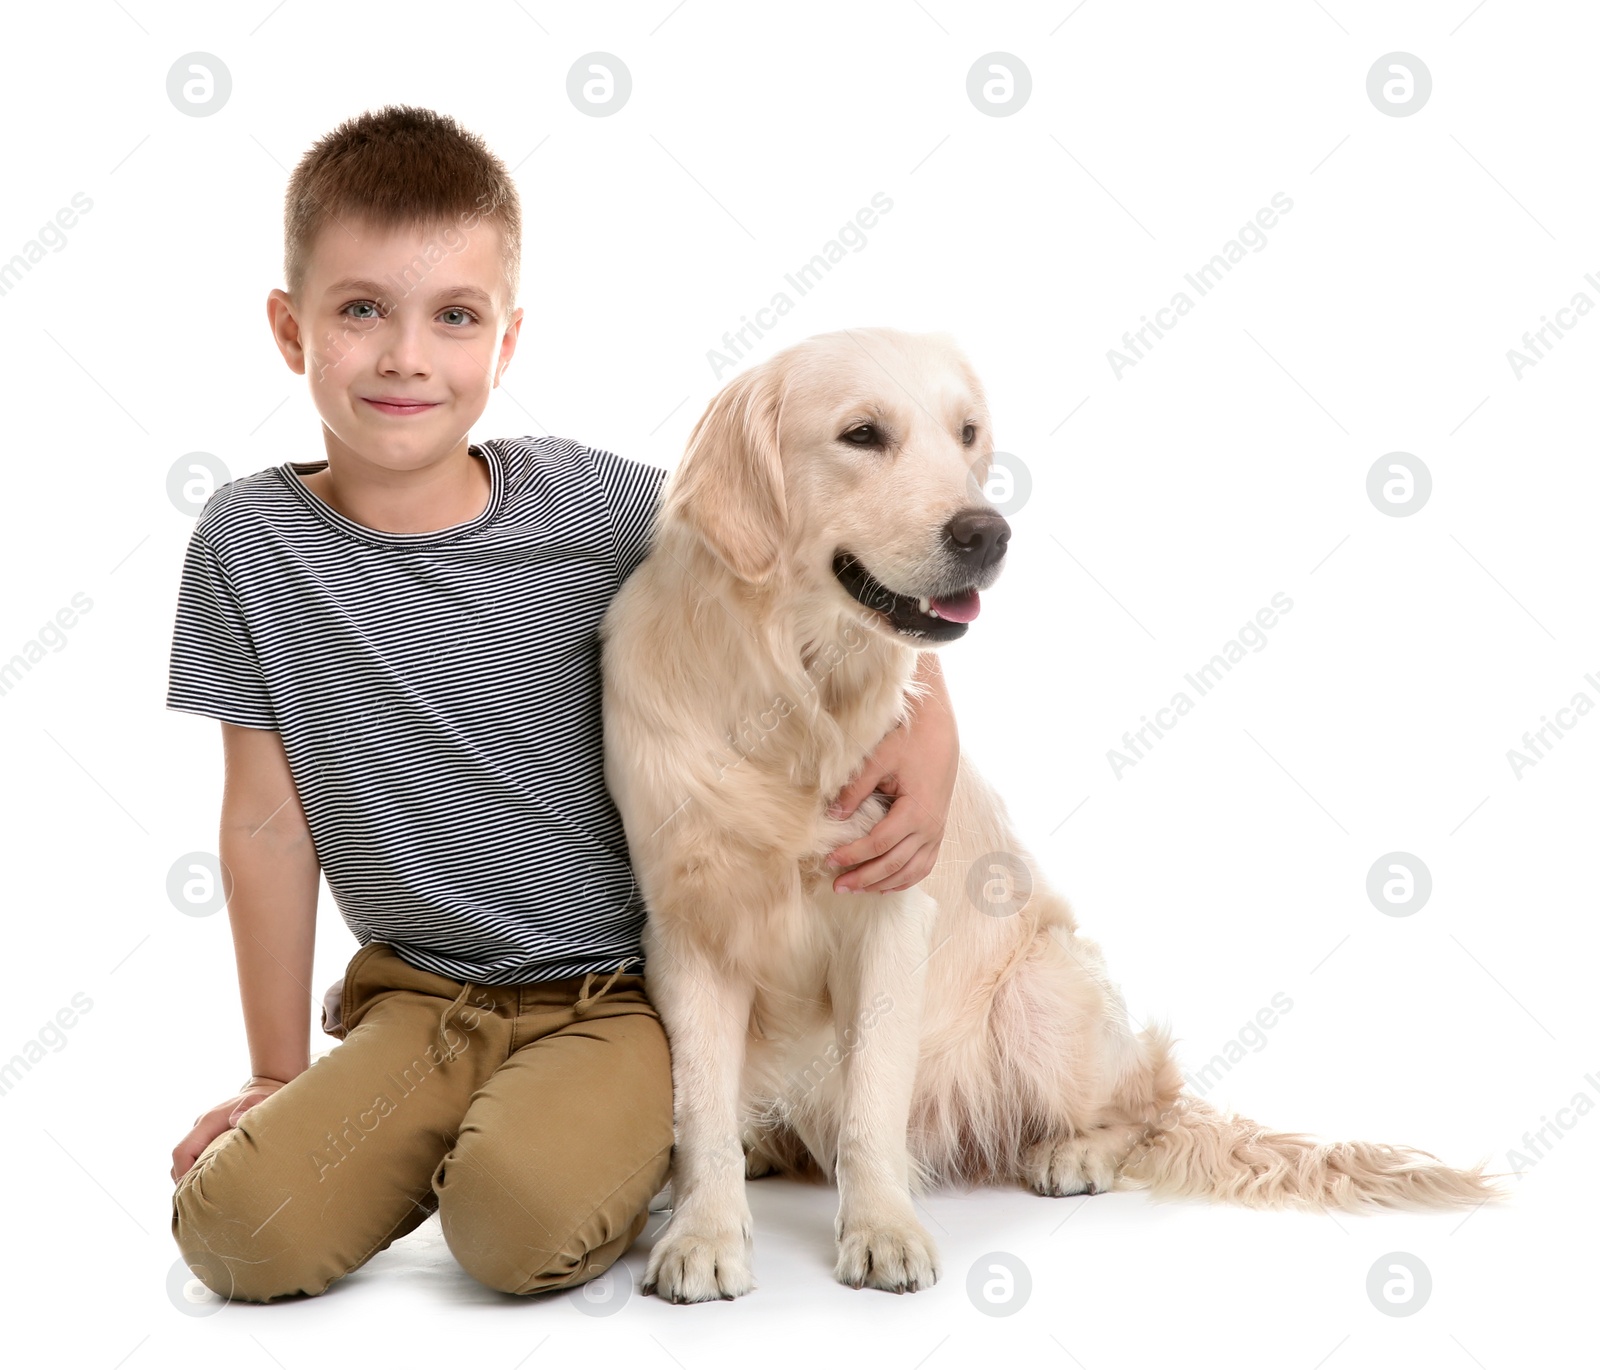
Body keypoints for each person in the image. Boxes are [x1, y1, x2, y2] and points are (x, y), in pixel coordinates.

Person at [165, 104, 962, 1303]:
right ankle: (438, 1123)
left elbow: (815, 549)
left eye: (455, 317)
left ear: (507, 338)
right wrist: (278, 1072)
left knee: (511, 1230)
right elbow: (266, 822)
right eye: (360, 309)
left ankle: (551, 1135)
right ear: (292, 328)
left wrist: (932, 720)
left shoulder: (593, 504)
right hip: (416, 994)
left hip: (611, 992)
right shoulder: (248, 542)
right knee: (236, 1233)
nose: (405, 357)